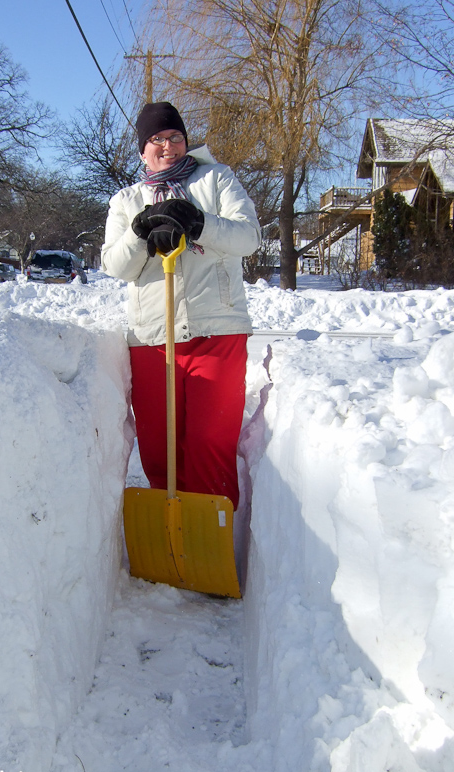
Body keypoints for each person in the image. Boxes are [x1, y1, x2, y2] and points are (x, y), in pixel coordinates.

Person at [102, 101, 261, 510]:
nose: (167, 145)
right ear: (142, 149)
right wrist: (141, 234)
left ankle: (214, 545)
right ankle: (172, 536)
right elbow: (115, 266)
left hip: (217, 330)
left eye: (174, 137)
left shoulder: (217, 180)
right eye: (156, 139)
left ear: (186, 141)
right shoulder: (126, 201)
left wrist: (198, 222)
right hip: (154, 339)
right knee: (159, 448)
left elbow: (248, 238)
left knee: (210, 444)